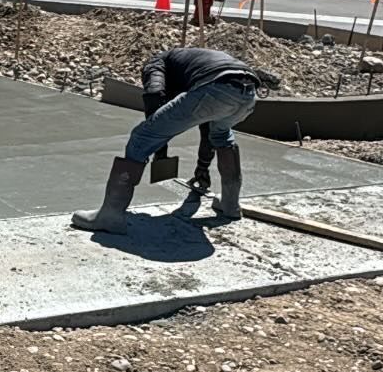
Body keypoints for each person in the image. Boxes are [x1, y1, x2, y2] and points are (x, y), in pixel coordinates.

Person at [72, 42, 278, 233]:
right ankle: (230, 205)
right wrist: (202, 169)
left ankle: (110, 215)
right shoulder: (195, 61)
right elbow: (207, 127)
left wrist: (159, 148)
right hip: (248, 93)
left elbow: (155, 95)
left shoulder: (156, 62)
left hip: (216, 88)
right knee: (222, 135)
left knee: (141, 137)